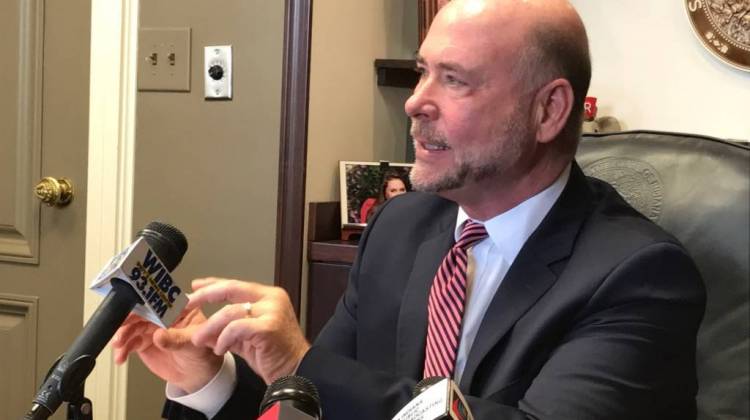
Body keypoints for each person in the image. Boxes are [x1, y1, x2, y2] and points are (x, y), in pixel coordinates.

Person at [113, 0, 706, 419]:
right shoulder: (400, 226)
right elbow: (324, 409)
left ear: (549, 111)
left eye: (455, 80)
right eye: (424, 72)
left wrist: (301, 361)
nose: (416, 102)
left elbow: (330, 382)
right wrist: (210, 383)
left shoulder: (638, 276)